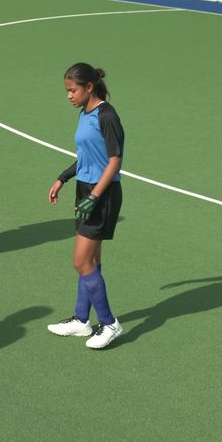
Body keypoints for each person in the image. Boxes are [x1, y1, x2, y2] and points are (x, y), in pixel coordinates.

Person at [46, 63, 125, 350]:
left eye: (72, 90)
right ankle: (82, 321)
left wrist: (94, 197)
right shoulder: (86, 113)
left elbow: (115, 160)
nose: (69, 96)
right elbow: (88, 156)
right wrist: (63, 178)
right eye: (67, 90)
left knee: (81, 261)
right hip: (85, 189)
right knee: (90, 261)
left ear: (89, 87)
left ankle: (109, 322)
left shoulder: (107, 116)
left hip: (102, 194)